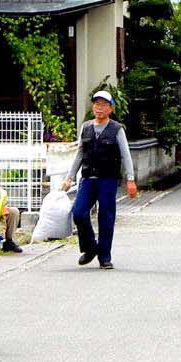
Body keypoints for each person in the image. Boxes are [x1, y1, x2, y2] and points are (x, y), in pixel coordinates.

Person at [62, 90, 138, 269]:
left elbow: (126, 155)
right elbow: (80, 153)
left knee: (106, 217)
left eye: (104, 105)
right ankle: (90, 248)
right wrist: (69, 177)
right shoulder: (86, 127)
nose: (99, 108)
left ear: (110, 108)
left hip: (108, 179)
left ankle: (104, 256)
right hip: (88, 178)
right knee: (79, 213)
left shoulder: (116, 129)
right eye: (97, 104)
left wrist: (131, 179)